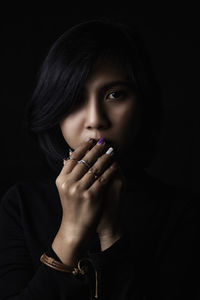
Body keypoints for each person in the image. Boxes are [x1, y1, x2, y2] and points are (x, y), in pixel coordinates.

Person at [0, 18, 199, 300]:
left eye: (115, 95)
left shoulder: (182, 214)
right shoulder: (19, 206)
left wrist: (111, 233)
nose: (95, 120)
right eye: (74, 98)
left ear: (141, 103)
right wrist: (71, 231)